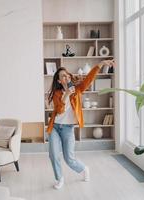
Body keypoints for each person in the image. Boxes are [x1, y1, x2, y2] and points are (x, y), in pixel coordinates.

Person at [46, 59, 115, 190]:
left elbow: (89, 79)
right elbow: (60, 110)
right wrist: (66, 94)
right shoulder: (57, 93)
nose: (66, 77)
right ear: (59, 81)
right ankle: (59, 178)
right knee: (53, 154)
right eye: (63, 76)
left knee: (69, 159)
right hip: (55, 127)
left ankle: (84, 169)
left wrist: (100, 64)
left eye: (67, 74)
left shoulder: (77, 90)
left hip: (68, 128)